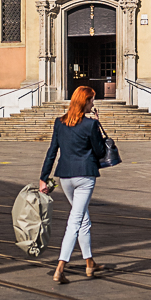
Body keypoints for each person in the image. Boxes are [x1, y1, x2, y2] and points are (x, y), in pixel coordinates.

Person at [39, 85, 108, 284]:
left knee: (83, 219)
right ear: (84, 102)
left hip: (65, 177)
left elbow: (52, 151)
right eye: (91, 100)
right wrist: (97, 128)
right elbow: (100, 151)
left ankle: (89, 263)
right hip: (85, 176)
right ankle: (60, 266)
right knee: (75, 221)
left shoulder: (60, 123)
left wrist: (44, 177)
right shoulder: (90, 125)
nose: (93, 103)